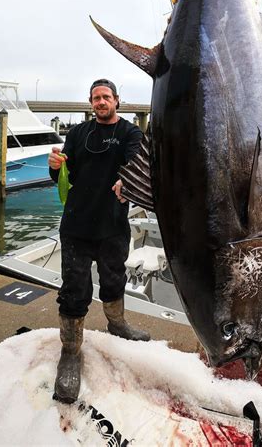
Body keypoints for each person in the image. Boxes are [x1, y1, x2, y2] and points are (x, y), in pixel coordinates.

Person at [48, 78, 150, 404]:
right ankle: (70, 353)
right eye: (96, 98)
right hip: (77, 226)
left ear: (117, 101)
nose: (101, 102)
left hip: (113, 226)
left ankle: (117, 324)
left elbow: (137, 162)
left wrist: (127, 178)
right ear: (91, 103)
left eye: (106, 97)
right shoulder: (78, 133)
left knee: (113, 279)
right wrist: (55, 168)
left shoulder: (131, 133)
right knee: (74, 289)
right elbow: (65, 176)